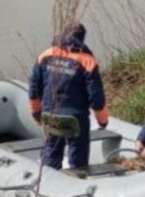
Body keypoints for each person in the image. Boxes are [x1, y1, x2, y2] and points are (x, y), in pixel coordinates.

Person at [28, 23, 109, 169]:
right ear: (82, 38)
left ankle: (48, 182)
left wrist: (36, 113)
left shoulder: (45, 55)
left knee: (51, 153)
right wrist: (103, 121)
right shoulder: (87, 61)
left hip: (50, 114)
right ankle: (77, 180)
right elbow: (97, 98)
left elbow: (34, 89)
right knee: (78, 160)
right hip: (75, 118)